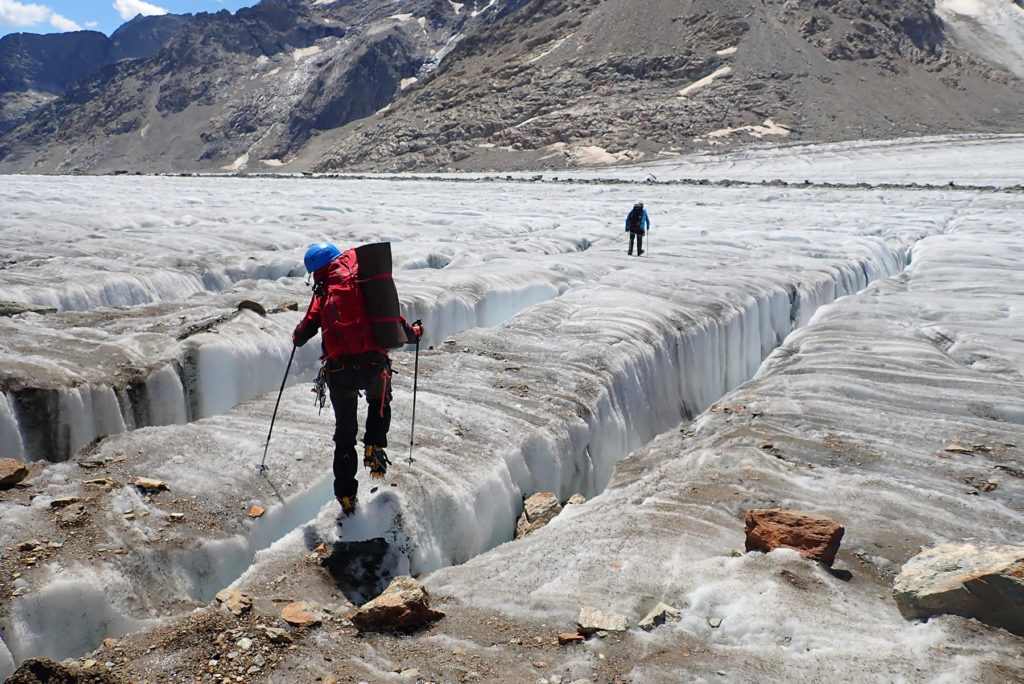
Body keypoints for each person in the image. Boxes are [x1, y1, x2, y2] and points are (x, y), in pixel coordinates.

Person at [292, 242, 423, 515]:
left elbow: (304, 331)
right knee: (379, 402)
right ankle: (374, 446)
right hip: (373, 365)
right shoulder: (363, 282)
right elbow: (390, 318)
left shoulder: (323, 291)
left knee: (344, 434)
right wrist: (414, 333)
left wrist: (297, 335)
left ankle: (347, 496)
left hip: (338, 371)